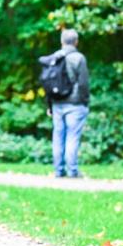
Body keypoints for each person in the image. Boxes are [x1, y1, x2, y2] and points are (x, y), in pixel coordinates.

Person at [40, 28, 90, 178]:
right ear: (76, 42)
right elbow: (83, 83)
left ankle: (58, 171)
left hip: (57, 103)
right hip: (75, 104)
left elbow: (48, 83)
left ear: (62, 41)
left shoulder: (55, 57)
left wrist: (49, 105)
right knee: (72, 137)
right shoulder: (79, 58)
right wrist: (85, 102)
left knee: (58, 137)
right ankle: (73, 171)